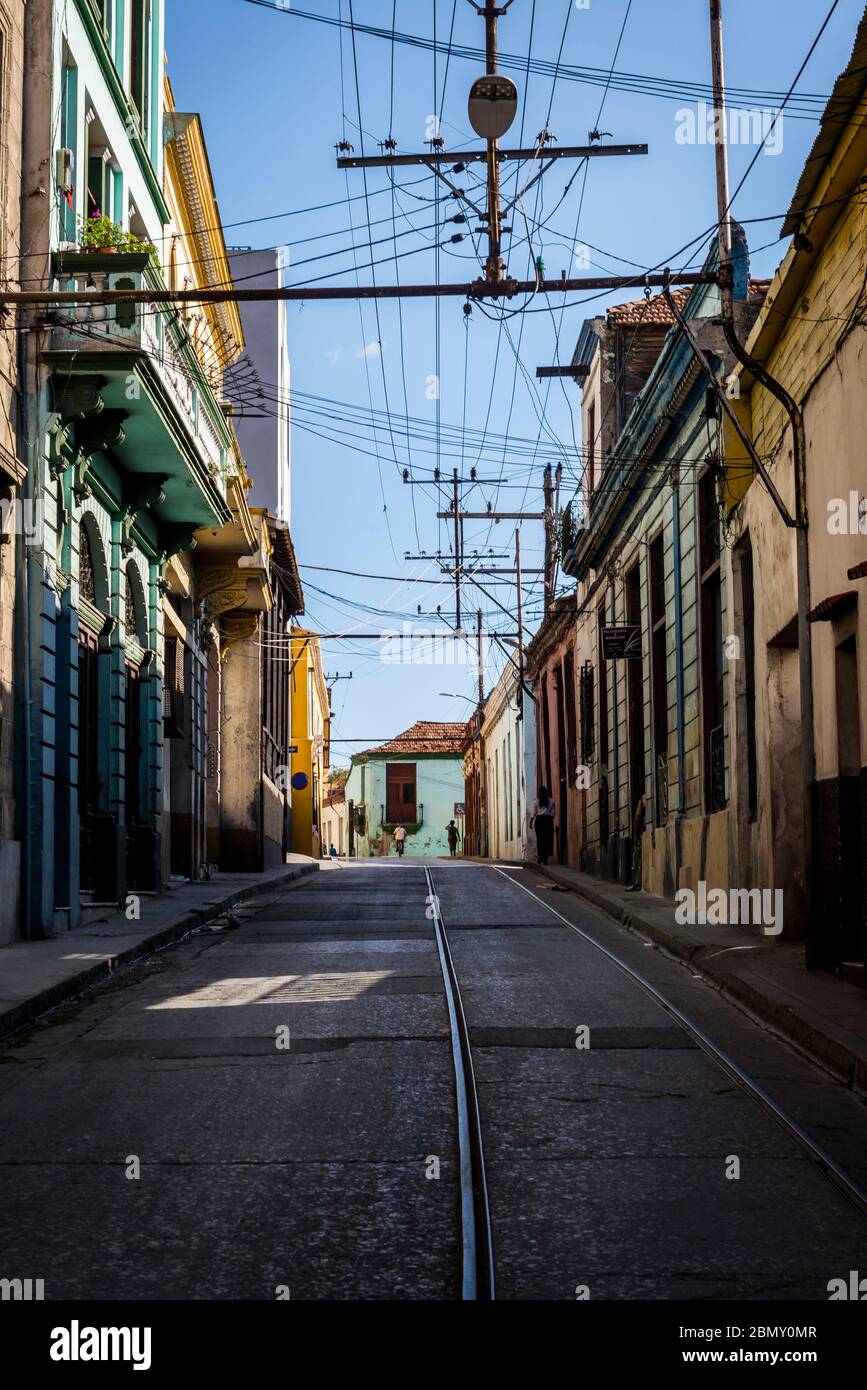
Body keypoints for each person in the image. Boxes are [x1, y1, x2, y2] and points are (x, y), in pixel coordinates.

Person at [627, 791, 647, 892]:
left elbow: (637, 817)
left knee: (638, 859)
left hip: (644, 834)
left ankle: (638, 882)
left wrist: (636, 835)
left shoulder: (643, 798)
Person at [531, 786, 556, 865]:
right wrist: (549, 818)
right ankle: (545, 858)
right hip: (548, 821)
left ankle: (540, 857)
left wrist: (531, 822)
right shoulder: (551, 801)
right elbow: (553, 813)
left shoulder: (536, 802)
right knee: (547, 839)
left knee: (540, 839)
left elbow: (534, 813)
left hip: (539, 821)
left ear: (539, 793)